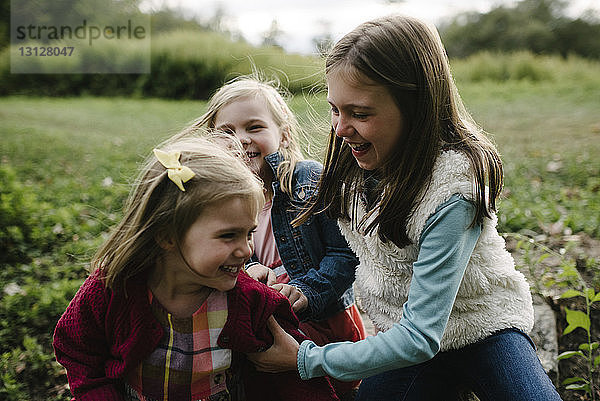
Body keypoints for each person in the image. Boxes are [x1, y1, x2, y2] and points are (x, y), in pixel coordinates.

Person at [248, 15, 563, 401]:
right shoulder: (353, 165)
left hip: (483, 328)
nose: (340, 128)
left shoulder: (453, 188)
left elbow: (420, 337)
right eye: (335, 109)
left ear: (416, 106)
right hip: (401, 338)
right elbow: (330, 252)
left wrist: (306, 357)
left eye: (360, 113)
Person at [52, 137, 338, 401]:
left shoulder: (249, 299)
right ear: (167, 236)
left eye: (249, 233)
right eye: (228, 236)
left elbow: (297, 380)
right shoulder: (114, 288)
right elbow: (78, 349)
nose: (247, 251)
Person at [183, 77, 366, 399]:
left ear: (282, 135)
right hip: (262, 323)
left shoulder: (308, 180)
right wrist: (248, 270)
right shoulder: (214, 200)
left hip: (323, 319)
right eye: (226, 132)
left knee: (332, 390)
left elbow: (345, 253)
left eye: (254, 128)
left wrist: (307, 291)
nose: (240, 140)